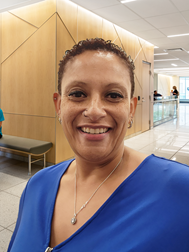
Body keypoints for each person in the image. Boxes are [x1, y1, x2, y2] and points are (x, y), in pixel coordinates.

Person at [8, 39, 189, 252]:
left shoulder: (180, 191)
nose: (94, 111)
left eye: (113, 95)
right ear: (59, 105)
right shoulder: (36, 186)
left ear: (131, 109)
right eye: (77, 94)